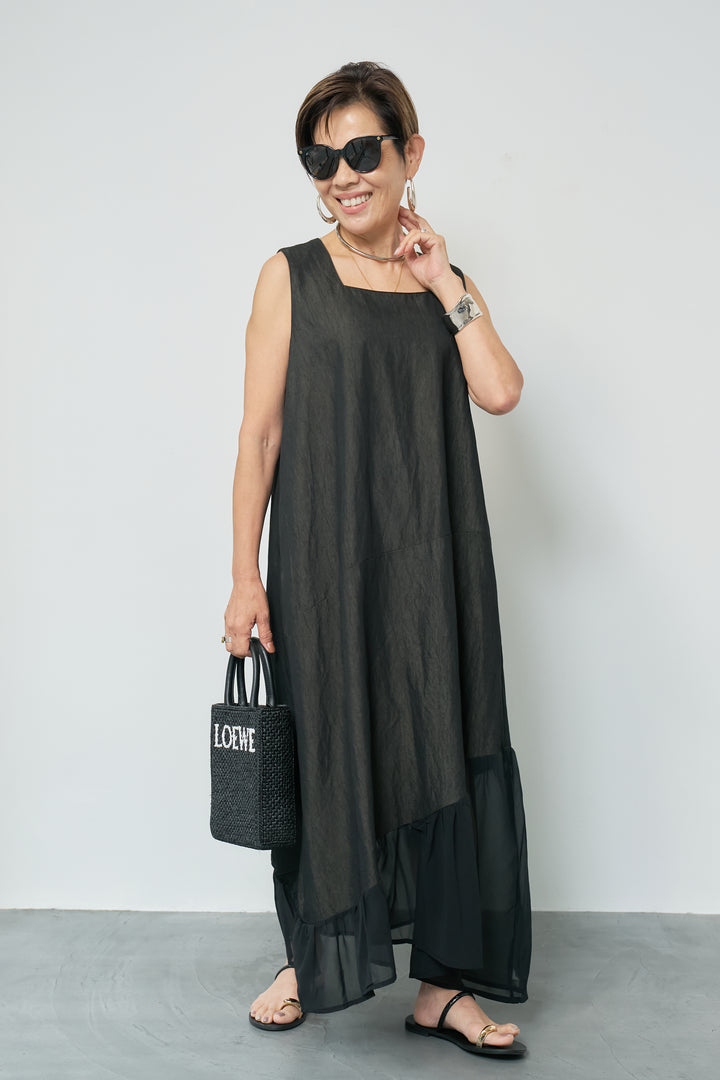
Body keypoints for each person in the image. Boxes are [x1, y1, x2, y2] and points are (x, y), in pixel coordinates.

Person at [222, 60, 531, 1060]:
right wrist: (245, 576)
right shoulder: (290, 275)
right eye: (323, 159)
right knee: (327, 750)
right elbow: (260, 435)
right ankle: (308, 959)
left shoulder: (446, 279)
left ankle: (444, 986)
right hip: (325, 564)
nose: (343, 174)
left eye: (362, 150)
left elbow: (500, 392)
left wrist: (444, 282)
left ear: (410, 154)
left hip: (435, 564)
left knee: (444, 745)